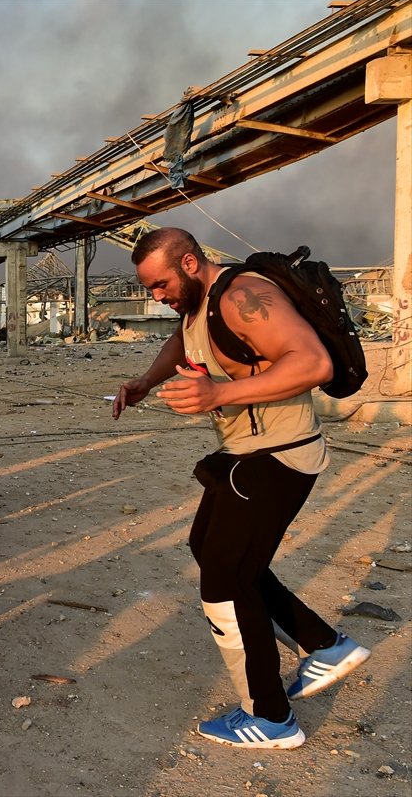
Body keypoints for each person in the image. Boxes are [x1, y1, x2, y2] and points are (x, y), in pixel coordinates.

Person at [113, 226, 370, 750]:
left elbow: (313, 362)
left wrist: (219, 392)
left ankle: (271, 718)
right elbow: (185, 337)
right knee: (209, 550)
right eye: (148, 289)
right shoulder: (197, 304)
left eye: (159, 284)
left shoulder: (242, 296)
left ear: (188, 264)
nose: (154, 296)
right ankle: (324, 645)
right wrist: (147, 381)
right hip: (244, 457)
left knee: (225, 582)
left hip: (279, 457)